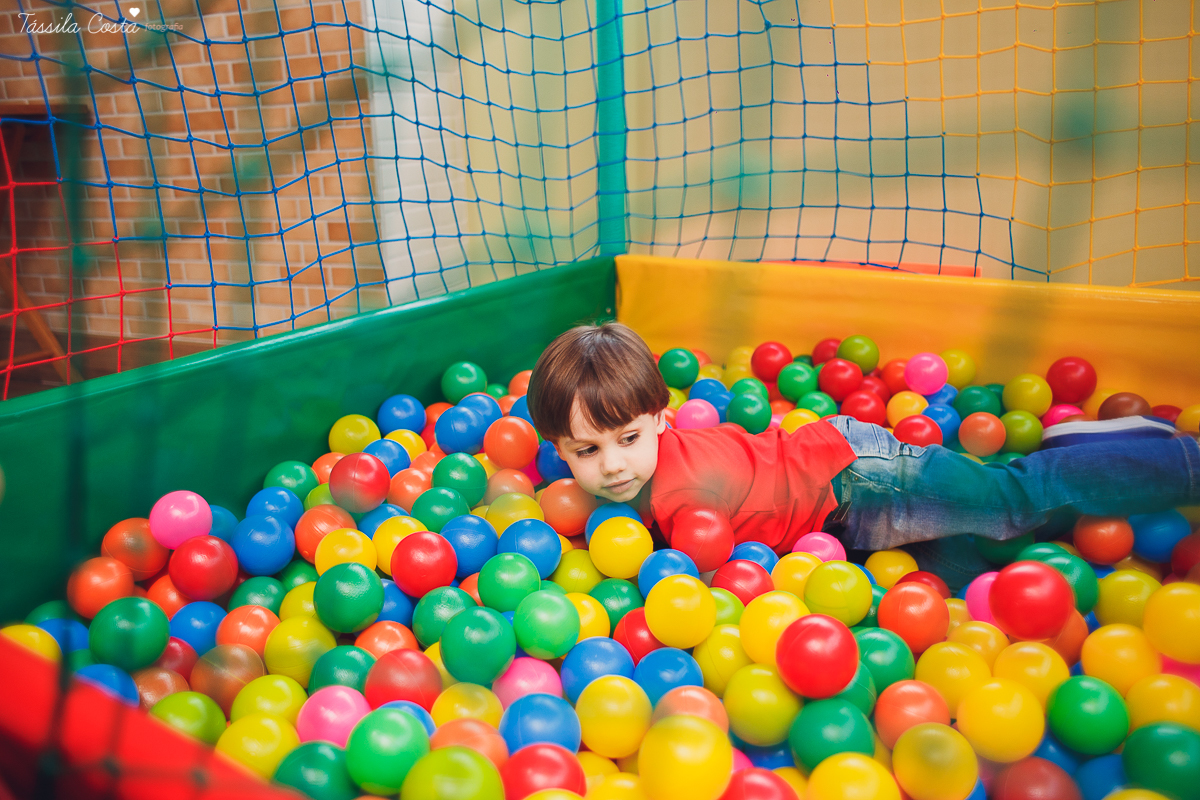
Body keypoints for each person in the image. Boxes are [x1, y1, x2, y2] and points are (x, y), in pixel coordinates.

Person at [526, 322, 1200, 588]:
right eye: (586, 451)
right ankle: (1097, 456)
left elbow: (700, 578)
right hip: (842, 514)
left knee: (1009, 503)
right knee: (977, 570)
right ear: (560, 449)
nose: (611, 465)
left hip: (864, 482)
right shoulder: (629, 475)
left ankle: (1181, 464)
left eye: (629, 439)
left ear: (662, 419)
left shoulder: (682, 496)